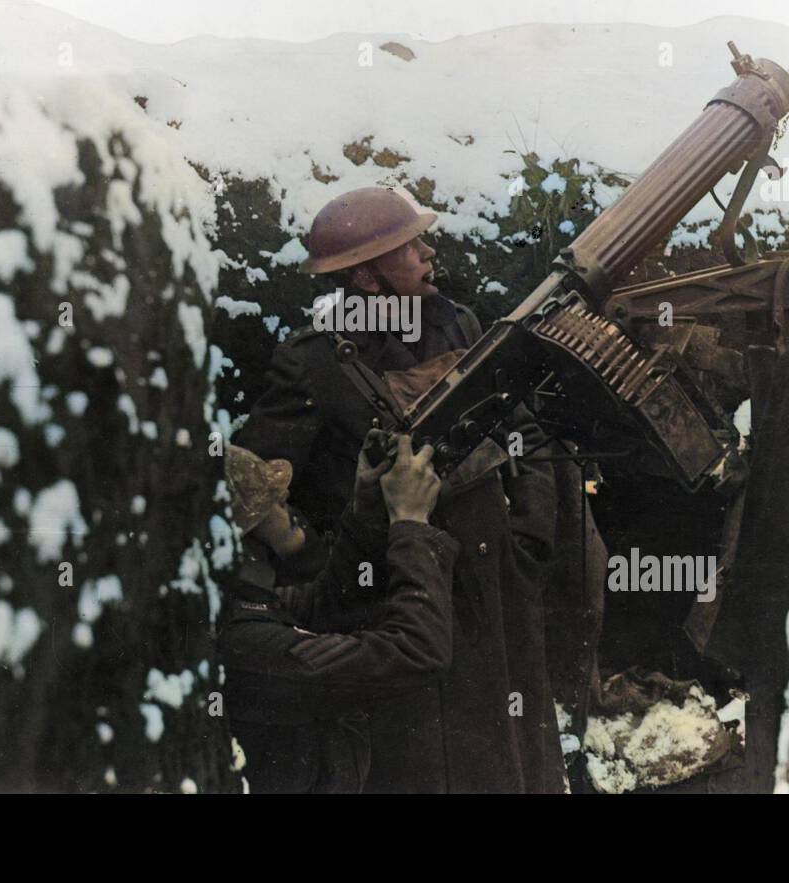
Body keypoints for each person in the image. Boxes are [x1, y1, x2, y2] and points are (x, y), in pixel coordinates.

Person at [233, 185, 566, 793]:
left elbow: (521, 425)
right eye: (410, 247)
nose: (428, 254)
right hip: (402, 597)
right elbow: (256, 484)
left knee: (511, 750)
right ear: (367, 277)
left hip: (495, 583)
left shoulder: (461, 324)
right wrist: (321, 563)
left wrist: (531, 533)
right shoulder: (313, 364)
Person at [219, 435, 457, 794]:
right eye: (263, 499)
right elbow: (417, 650)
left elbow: (327, 603)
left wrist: (367, 507)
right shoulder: (244, 641)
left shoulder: (236, 607)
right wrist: (411, 524)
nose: (283, 496)